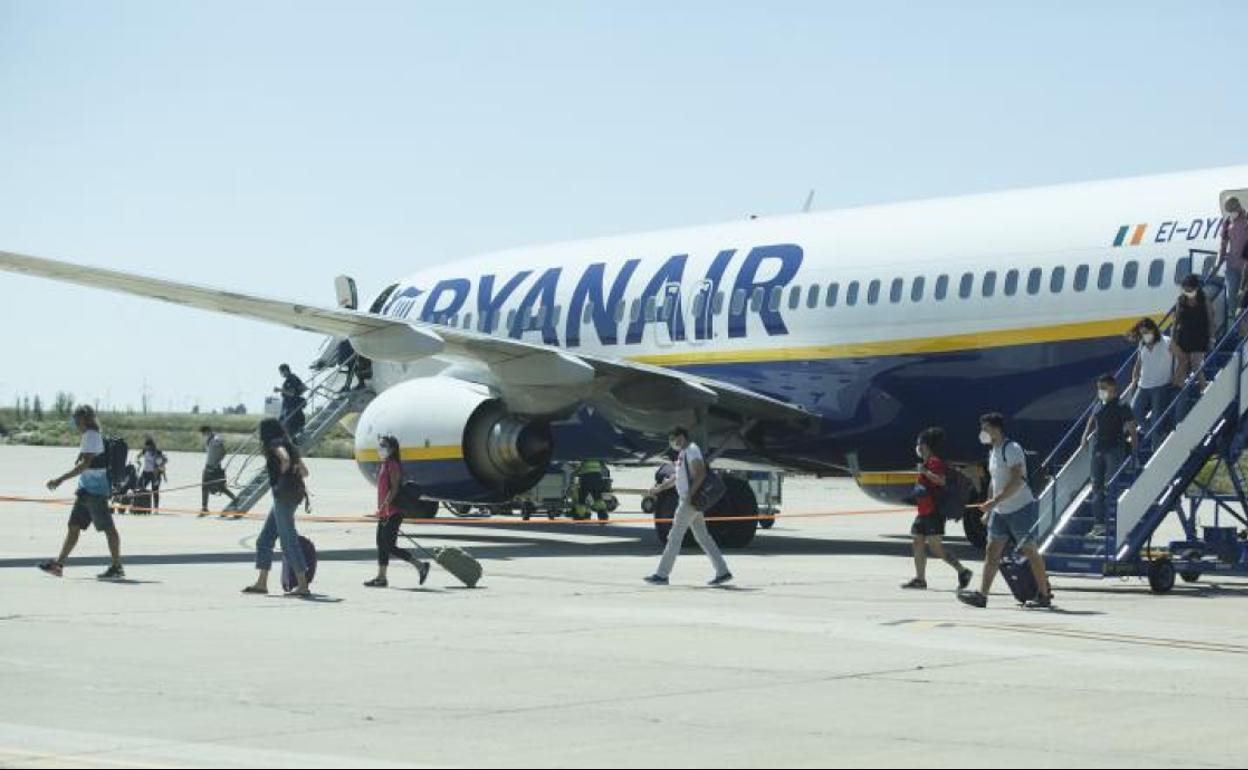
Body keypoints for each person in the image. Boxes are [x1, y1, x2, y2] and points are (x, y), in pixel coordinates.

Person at [958, 413, 1053, 609]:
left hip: (1020, 508)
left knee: (1030, 551)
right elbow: (994, 481)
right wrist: (990, 510)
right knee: (991, 552)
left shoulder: (1012, 449)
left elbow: (1017, 481)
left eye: (985, 429)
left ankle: (1043, 594)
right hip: (1000, 512)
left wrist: (993, 502)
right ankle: (982, 596)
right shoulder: (993, 451)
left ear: (995, 429)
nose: (982, 433)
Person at [37, 405, 125, 579]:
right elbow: (87, 461)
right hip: (86, 490)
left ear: (85, 419)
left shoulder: (91, 436)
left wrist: (60, 479)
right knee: (74, 527)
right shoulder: (88, 436)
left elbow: (85, 465)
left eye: (77, 418)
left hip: (95, 491)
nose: (74, 422)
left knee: (108, 529)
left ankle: (117, 567)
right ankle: (58, 565)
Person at [644, 427, 733, 586]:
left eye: (674, 438)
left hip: (688, 501)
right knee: (703, 538)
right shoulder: (684, 453)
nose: (672, 442)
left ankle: (662, 575)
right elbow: (677, 477)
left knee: (674, 537)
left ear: (682, 438)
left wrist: (690, 496)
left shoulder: (692, 450)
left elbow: (701, 473)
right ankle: (723, 571)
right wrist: (660, 488)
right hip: (689, 500)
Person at [242, 418, 311, 597]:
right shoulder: (289, 444)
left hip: (283, 498)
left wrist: (282, 475)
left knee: (288, 540)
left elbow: (285, 459)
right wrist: (290, 471)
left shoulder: (275, 444)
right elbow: (305, 472)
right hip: (289, 497)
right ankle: (261, 583)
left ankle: (303, 585)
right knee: (264, 539)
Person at [901, 427, 973, 591]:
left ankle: (962, 571)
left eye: (919, 444)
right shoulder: (928, 462)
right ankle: (920, 579)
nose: (918, 448)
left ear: (924, 446)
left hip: (933, 512)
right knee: (917, 541)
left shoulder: (934, 462)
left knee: (936, 548)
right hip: (923, 511)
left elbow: (941, 481)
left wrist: (924, 472)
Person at [364, 435, 431, 588]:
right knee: (381, 544)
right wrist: (381, 509)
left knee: (389, 545)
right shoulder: (384, 464)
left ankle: (420, 565)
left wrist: (385, 506)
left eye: (383, 445)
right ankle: (381, 578)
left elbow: (394, 488)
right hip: (384, 512)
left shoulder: (393, 464)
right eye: (379, 445)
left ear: (392, 449)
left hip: (393, 511)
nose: (380, 448)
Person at [1081, 375, 1138, 538]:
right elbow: (1092, 418)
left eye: (1103, 388)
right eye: (1099, 388)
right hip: (1098, 449)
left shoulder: (1121, 405)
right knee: (1096, 487)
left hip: (1114, 449)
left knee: (1110, 485)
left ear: (1113, 389)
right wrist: (1085, 435)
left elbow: (1132, 427)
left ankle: (1116, 521)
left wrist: (1134, 449)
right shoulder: (1099, 404)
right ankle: (1099, 524)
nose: (1101, 391)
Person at [1128, 317, 1175, 448]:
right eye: (1142, 333)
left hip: (1160, 385)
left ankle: (1156, 447)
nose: (1145, 335)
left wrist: (1177, 376)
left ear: (1154, 330)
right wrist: (1134, 380)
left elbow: (1181, 357)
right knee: (1134, 411)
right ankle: (1155, 435)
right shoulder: (1142, 344)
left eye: (1147, 332)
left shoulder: (1166, 342)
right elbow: (1138, 363)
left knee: (1156, 418)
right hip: (1144, 385)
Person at [1172, 274, 1215, 390]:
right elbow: (1175, 321)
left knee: (1196, 365)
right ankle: (1178, 392)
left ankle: (1203, 390)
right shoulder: (1181, 300)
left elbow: (1211, 320)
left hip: (1200, 338)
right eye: (1185, 289)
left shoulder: (1204, 300)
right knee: (1183, 365)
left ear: (1196, 288)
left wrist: (1212, 338)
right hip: (1184, 337)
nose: (1187, 292)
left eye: (1189, 289)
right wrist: (1173, 340)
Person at [199, 425, 238, 514]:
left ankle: (234, 498)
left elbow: (224, 451)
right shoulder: (208, 441)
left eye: (204, 433)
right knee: (205, 487)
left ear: (208, 431)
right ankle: (204, 507)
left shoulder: (216, 439)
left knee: (220, 487)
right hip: (208, 466)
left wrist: (217, 462)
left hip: (215, 467)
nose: (203, 435)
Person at [1220, 196, 1248, 315]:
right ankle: (1240, 329)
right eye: (1229, 210)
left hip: (1246, 265)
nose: (1232, 212)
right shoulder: (1227, 222)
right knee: (1231, 297)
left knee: (1243, 297)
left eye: (1233, 208)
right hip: (1232, 265)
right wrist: (1217, 263)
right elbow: (1223, 244)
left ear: (1238, 205)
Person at [274, 363, 307, 438]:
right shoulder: (294, 377)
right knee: (282, 424)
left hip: (291, 407)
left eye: (281, 372)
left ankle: (289, 443)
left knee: (287, 426)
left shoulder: (290, 379)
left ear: (285, 370)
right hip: (291, 407)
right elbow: (304, 388)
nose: (281, 374)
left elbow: (292, 393)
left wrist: (280, 390)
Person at [136, 436, 167, 512]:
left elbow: (161, 464)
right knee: (140, 487)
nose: (146, 448)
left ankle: (156, 508)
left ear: (151, 446)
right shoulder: (144, 451)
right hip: (145, 473)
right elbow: (138, 457)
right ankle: (141, 505)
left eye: (147, 446)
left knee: (155, 491)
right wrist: (138, 462)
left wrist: (164, 475)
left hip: (154, 474)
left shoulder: (157, 452)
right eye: (145, 446)